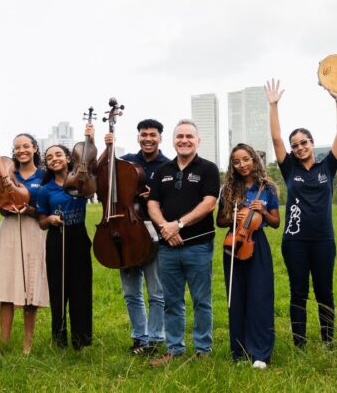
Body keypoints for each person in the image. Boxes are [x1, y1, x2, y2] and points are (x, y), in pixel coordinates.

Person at [266, 78, 337, 348]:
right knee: (298, 293)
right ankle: (299, 344)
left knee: (325, 292)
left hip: (324, 241)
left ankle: (328, 341)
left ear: (312, 143)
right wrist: (274, 105)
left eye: (304, 142)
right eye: (295, 145)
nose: (300, 147)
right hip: (295, 241)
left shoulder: (327, 168)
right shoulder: (290, 170)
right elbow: (276, 138)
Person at [147, 120, 219, 367]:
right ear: (173, 140)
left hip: (198, 246)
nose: (184, 140)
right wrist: (166, 228)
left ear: (198, 141)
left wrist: (178, 224)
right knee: (171, 301)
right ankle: (174, 349)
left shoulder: (208, 168)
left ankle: (203, 349)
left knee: (201, 300)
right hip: (168, 248)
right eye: (180, 136)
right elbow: (152, 204)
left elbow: (209, 203)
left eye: (189, 136)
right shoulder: (162, 171)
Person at [104, 119, 168, 356]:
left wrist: (157, 195)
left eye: (152, 134)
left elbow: (174, 201)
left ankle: (155, 337)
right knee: (131, 292)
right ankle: (139, 337)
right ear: (138, 137)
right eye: (144, 134)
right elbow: (101, 176)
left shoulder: (168, 166)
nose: (148, 138)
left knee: (156, 292)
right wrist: (108, 149)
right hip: (125, 230)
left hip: (153, 231)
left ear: (160, 137)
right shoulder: (126, 161)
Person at [216, 143, 280, 368]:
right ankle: (240, 351)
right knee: (237, 298)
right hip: (233, 244)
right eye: (236, 161)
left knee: (260, 297)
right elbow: (220, 221)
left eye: (245, 159)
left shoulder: (268, 187)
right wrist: (231, 213)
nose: (241, 165)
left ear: (254, 160)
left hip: (257, 244)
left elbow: (275, 222)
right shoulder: (229, 188)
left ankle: (260, 353)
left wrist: (262, 211)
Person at [0, 133, 48, 355]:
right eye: (17, 147)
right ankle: (4, 345)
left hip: (34, 229)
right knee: (7, 287)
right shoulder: (7, 173)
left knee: (31, 288)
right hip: (10, 229)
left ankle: (27, 346)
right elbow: (3, 208)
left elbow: (48, 204)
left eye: (26, 146)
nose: (21, 150)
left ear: (34, 148)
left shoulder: (45, 174)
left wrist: (31, 210)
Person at [37, 139, 94, 351]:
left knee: (81, 288)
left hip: (78, 236)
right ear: (46, 164)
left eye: (58, 155)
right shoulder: (45, 190)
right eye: (49, 157)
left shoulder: (82, 180)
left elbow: (91, 160)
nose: (54, 159)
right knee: (58, 289)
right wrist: (49, 219)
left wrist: (91, 137)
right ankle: (59, 339)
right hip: (56, 238)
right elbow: (41, 223)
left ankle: (81, 340)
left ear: (68, 158)